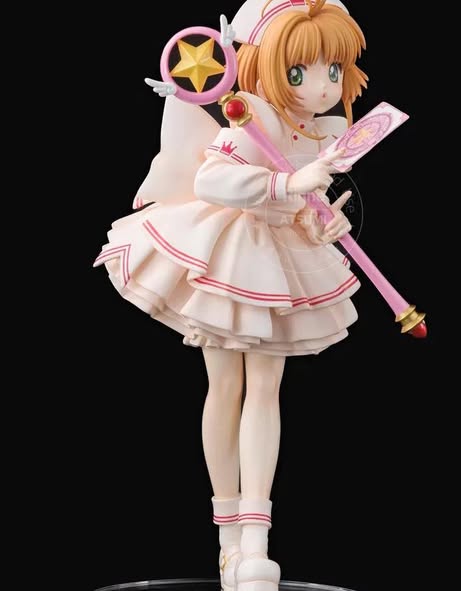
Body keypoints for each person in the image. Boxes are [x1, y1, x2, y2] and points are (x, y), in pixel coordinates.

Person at [93, 1, 367, 589]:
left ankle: (257, 543)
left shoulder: (327, 131)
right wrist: (287, 182)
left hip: (281, 257)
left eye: (333, 70)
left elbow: (307, 205)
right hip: (231, 250)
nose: (322, 87)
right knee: (226, 385)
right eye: (299, 71)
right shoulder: (254, 114)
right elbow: (212, 179)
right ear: (266, 65)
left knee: (266, 389)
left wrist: (323, 219)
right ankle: (228, 546)